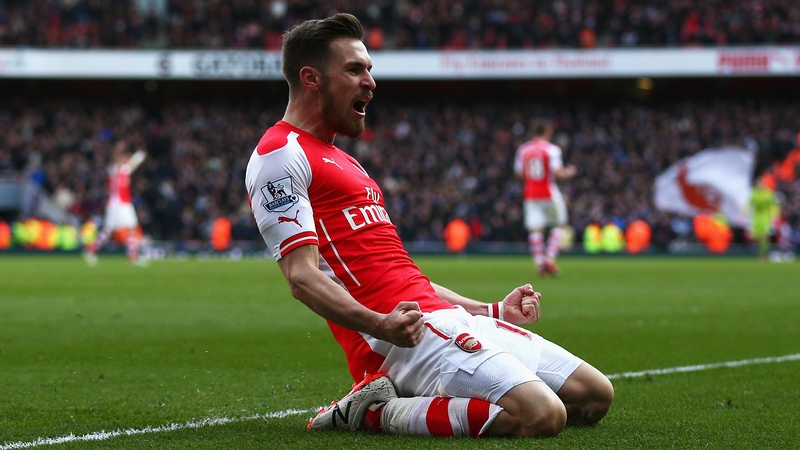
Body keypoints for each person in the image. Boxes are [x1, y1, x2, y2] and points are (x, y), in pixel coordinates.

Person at [244, 13, 613, 439]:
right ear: (311, 78)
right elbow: (302, 277)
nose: (370, 82)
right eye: (354, 70)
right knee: (541, 416)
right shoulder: (279, 155)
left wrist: (489, 310)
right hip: (396, 341)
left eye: (369, 69)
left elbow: (400, 273)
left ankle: (411, 393)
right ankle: (372, 411)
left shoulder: (347, 162)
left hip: (443, 317)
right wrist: (379, 324)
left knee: (595, 395)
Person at [514, 119, 577, 277]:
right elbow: (558, 172)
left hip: (530, 193)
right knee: (559, 224)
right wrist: (570, 172)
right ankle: (549, 259)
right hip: (548, 191)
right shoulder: (552, 149)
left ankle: (539, 264)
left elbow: (519, 173)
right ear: (547, 131)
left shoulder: (523, 149)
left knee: (536, 229)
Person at [83, 139, 148, 266]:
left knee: (125, 228)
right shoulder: (114, 169)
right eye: (124, 157)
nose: (126, 159)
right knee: (111, 229)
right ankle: (92, 249)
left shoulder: (124, 170)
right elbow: (117, 158)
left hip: (123, 203)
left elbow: (133, 163)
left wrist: (139, 156)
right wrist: (119, 148)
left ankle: (132, 256)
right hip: (117, 204)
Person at [749, 176, 780, 263]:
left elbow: (773, 205)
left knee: (764, 236)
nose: (759, 185)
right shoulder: (754, 194)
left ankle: (763, 255)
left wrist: (775, 215)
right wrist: (744, 214)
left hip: (765, 217)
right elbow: (750, 204)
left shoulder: (768, 194)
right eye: (758, 184)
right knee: (756, 236)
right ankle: (760, 253)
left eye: (761, 183)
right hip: (756, 217)